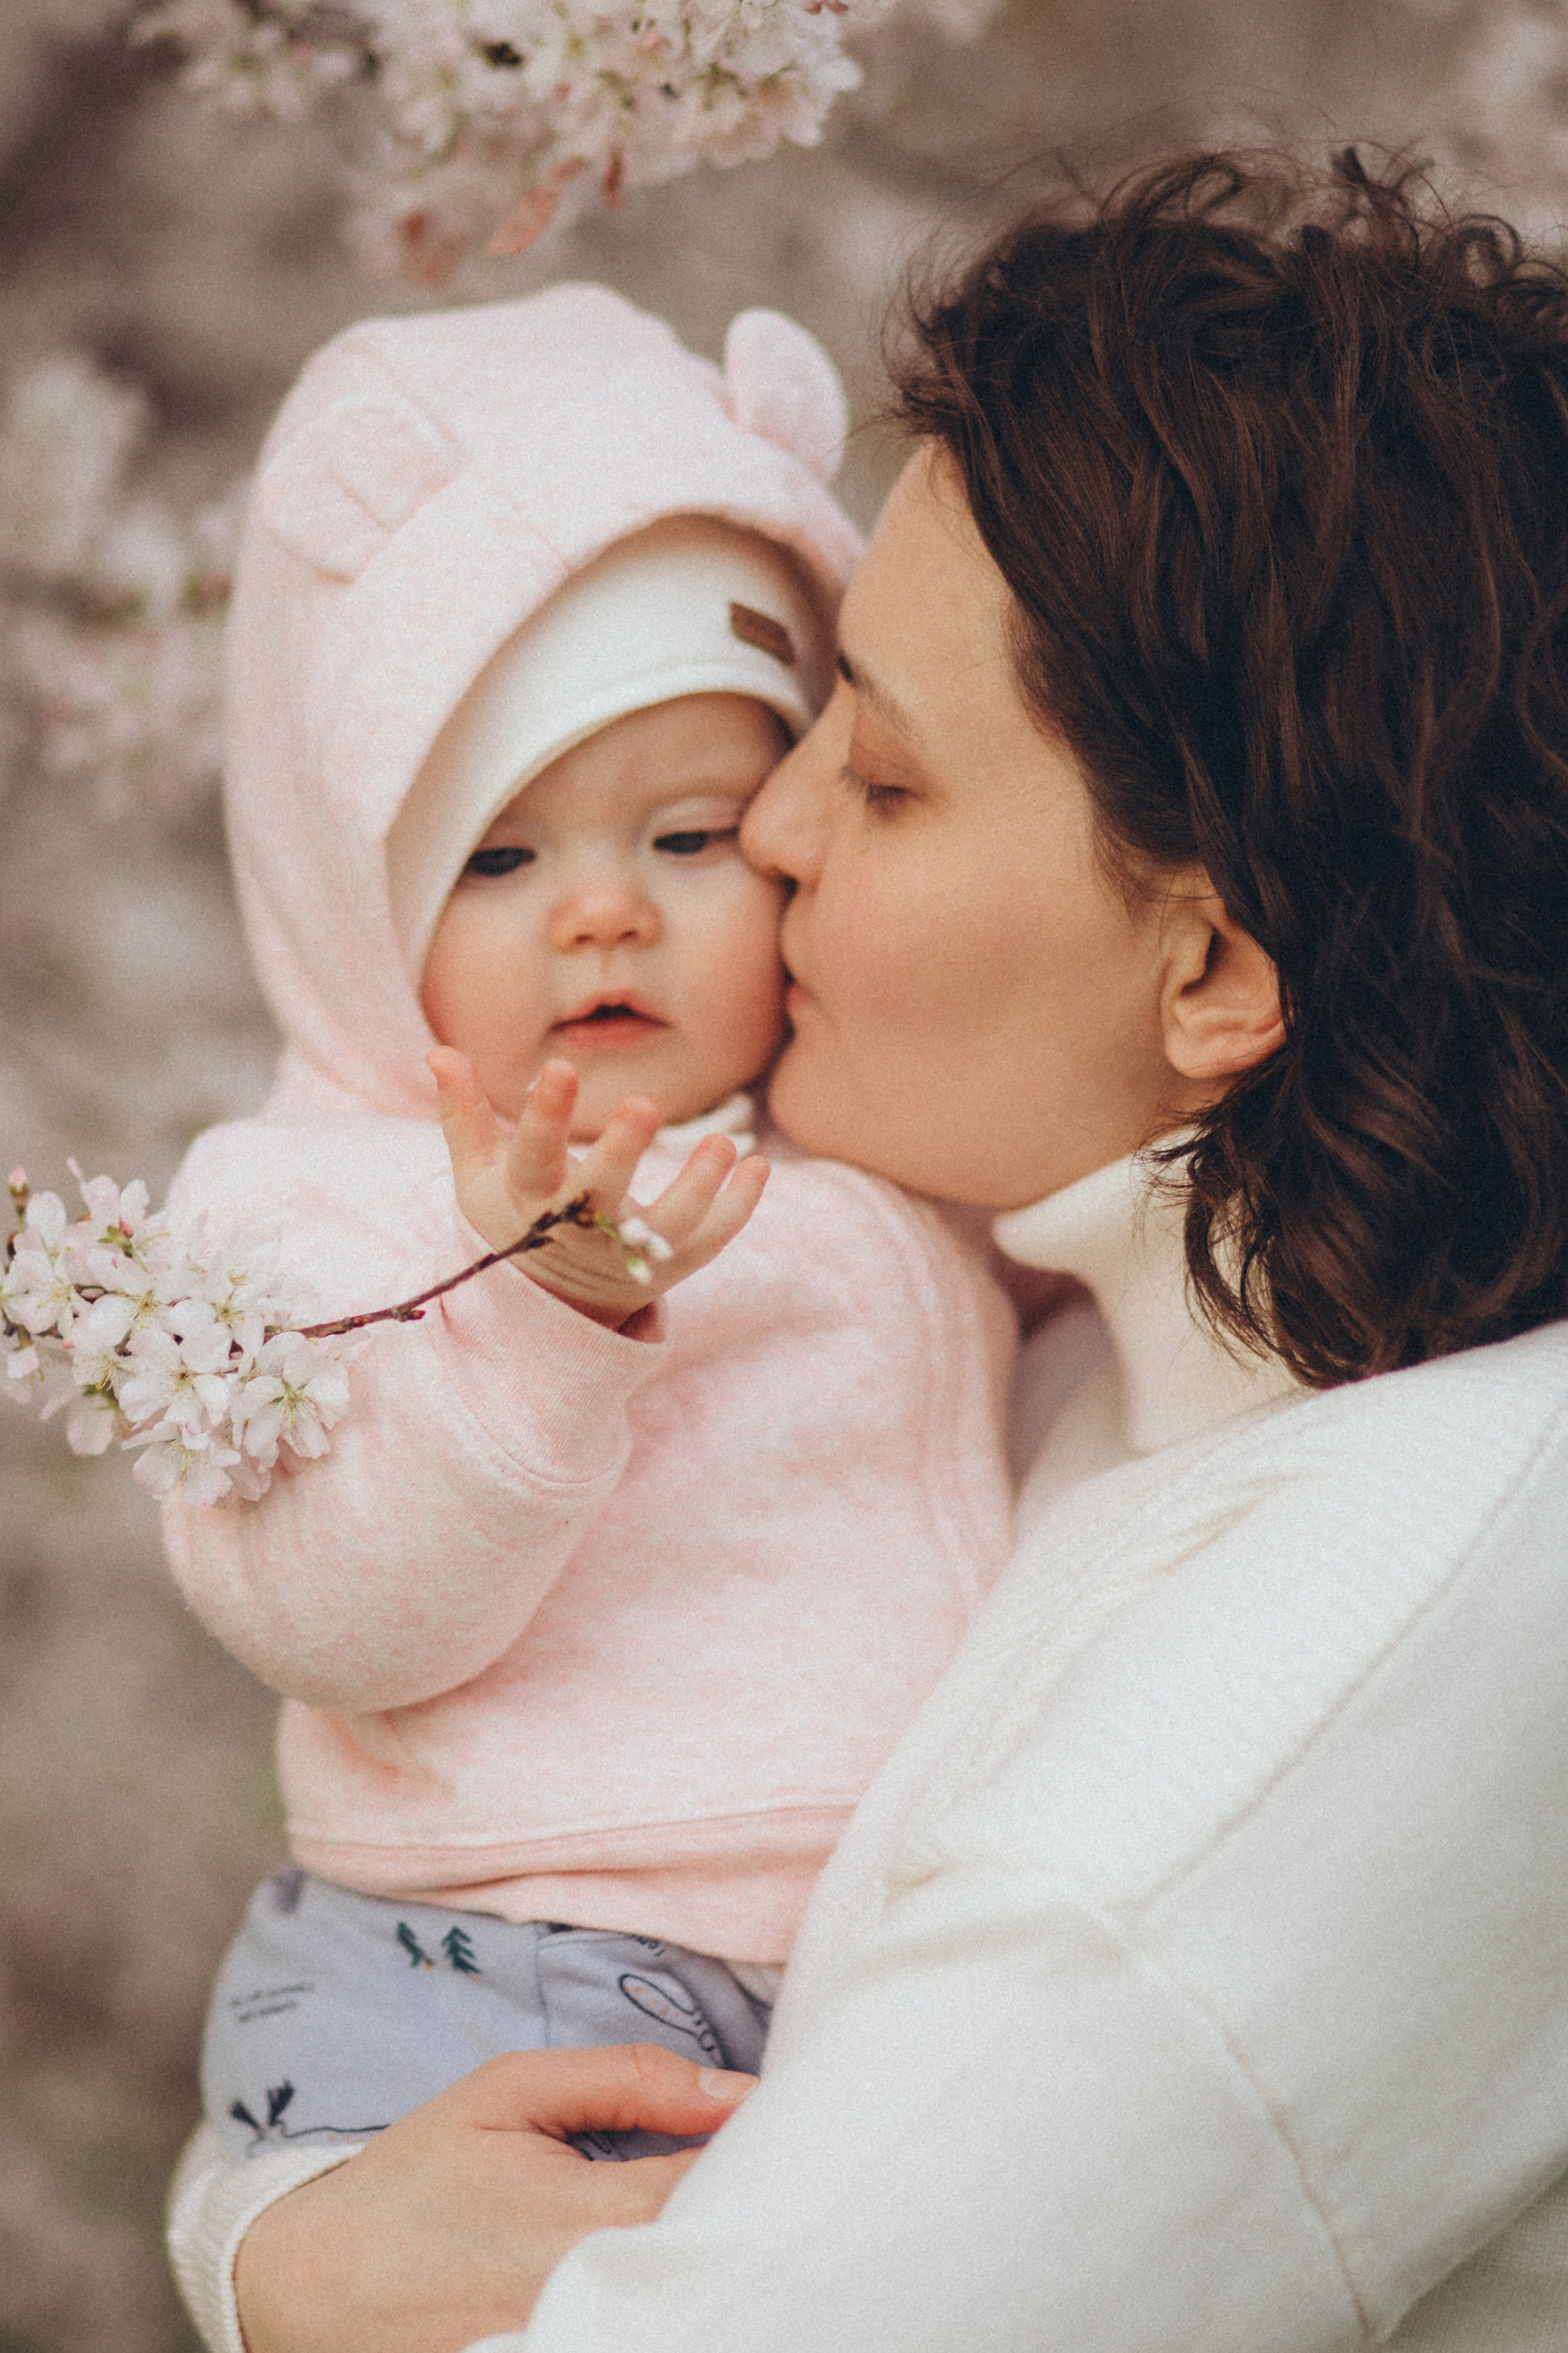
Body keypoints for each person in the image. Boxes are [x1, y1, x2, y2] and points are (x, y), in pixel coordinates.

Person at [175, 151, 1568, 2353]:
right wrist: (279, 2217)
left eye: (889, 781)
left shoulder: (1364, 1640)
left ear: (1214, 965)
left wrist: (287, 2273)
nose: (777, 829)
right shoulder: (1093, 1355)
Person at [157, 286, 1016, 2237]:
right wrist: (547, 1321)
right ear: (352, 891)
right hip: (495, 1971)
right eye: (501, 857)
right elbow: (335, 1610)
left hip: (837, 1977)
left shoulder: (860, 1139)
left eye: (692, 834)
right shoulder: (318, 1206)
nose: (607, 913)